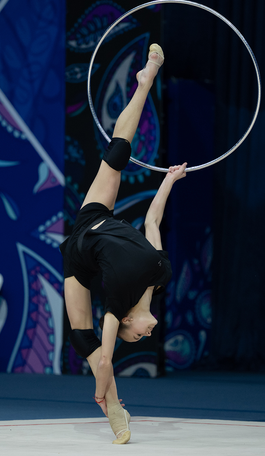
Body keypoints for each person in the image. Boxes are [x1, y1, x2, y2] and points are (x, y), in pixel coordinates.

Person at [59, 44, 186, 444]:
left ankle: (112, 408)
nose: (145, 336)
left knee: (86, 339)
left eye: (137, 336)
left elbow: (108, 356)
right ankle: (146, 79)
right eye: (142, 339)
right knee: (119, 151)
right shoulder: (160, 274)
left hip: (83, 238)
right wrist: (168, 180)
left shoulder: (117, 300)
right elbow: (152, 219)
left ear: (127, 321)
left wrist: (101, 384)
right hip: (102, 224)